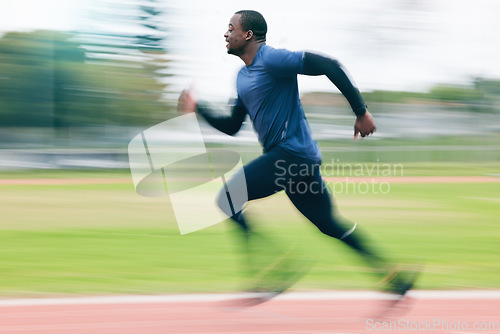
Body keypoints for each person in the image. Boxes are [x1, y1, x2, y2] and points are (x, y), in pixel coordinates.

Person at [178, 10, 417, 302]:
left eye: (231, 28)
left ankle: (274, 267)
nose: (225, 34)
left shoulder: (273, 59)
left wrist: (360, 111)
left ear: (248, 35)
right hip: (297, 160)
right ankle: (394, 277)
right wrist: (198, 107)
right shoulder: (242, 77)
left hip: (290, 155)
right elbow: (231, 126)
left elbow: (330, 65)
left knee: (228, 198)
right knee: (328, 224)